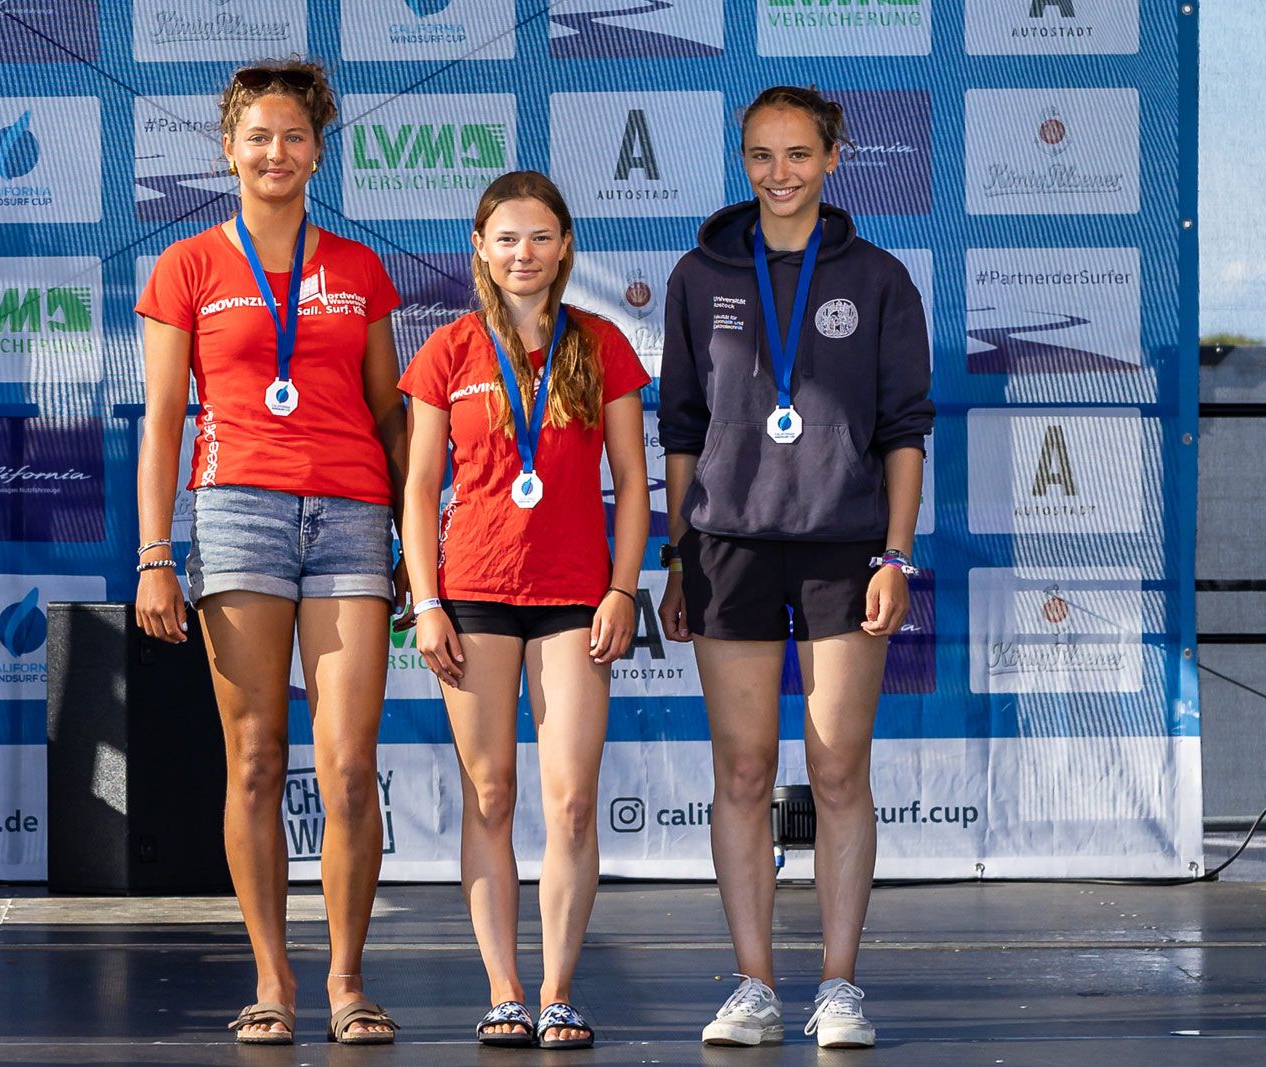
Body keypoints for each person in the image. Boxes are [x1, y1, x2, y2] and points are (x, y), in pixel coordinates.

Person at [134, 59, 405, 1046]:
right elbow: (164, 420)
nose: (275, 152)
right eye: (258, 137)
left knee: (349, 767)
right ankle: (272, 979)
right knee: (254, 760)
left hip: (351, 512)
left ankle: (346, 980)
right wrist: (154, 552)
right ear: (228, 150)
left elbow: (389, 414)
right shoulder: (187, 266)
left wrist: (415, 539)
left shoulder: (359, 270)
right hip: (236, 511)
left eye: (293, 136)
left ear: (318, 151)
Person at [657, 84, 933, 1050]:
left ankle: (840, 986)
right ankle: (754, 986)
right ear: (744, 162)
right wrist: (679, 556)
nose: (781, 174)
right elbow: (681, 429)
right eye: (763, 156)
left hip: (841, 544)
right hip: (726, 546)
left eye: (799, 154)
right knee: (742, 770)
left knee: (837, 768)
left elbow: (905, 432)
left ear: (833, 158)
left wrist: (895, 554)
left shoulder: (879, 277)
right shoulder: (699, 275)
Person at [398, 170, 650, 1050]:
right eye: (506, 238)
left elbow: (633, 485)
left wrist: (623, 587)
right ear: (480, 247)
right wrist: (426, 600)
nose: (524, 253)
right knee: (491, 793)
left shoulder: (603, 344)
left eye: (540, 236)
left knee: (572, 800)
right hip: (472, 593)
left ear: (565, 245)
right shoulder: (448, 349)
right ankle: (504, 987)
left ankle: (558, 990)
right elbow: (419, 488)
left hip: (575, 597)